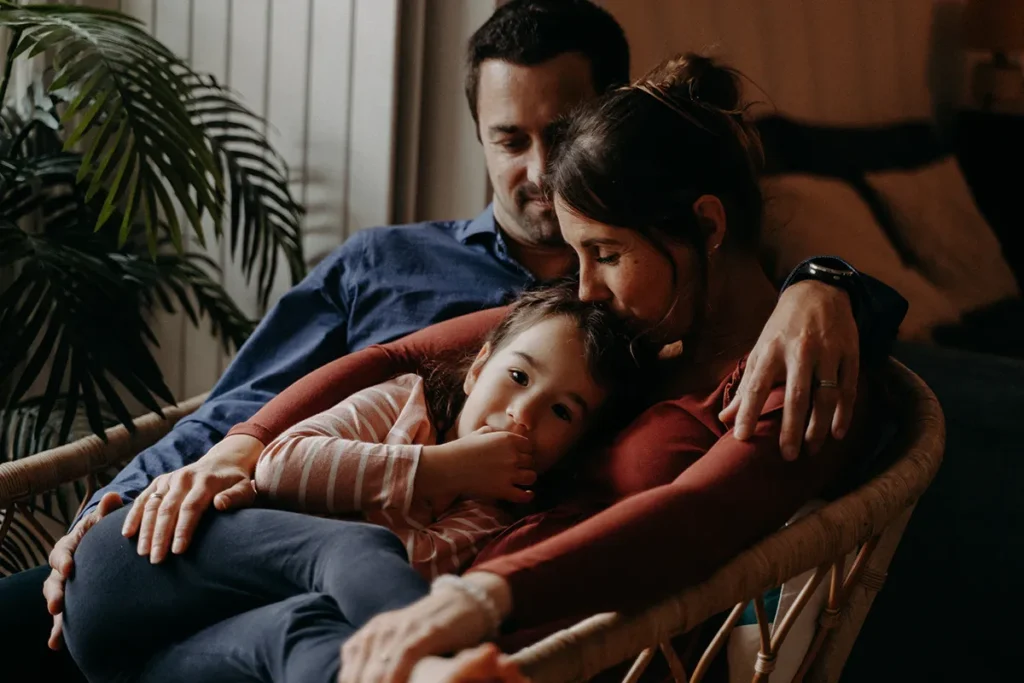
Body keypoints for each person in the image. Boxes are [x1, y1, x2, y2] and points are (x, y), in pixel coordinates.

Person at [0, 1, 902, 679]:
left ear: (704, 226)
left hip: (340, 623)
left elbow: (696, 515)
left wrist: (827, 285)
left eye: (605, 253)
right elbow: (391, 357)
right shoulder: (620, 319)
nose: (579, 283)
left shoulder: (783, 362)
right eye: (510, 137)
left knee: (305, 641)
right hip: (255, 554)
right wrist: (239, 449)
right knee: (330, 562)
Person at [62, 283, 646, 683]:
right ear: (478, 367)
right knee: (361, 546)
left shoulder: (489, 519)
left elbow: (384, 597)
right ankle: (432, 668)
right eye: (517, 376)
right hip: (140, 566)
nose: (524, 414)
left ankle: (420, 675)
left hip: (151, 665)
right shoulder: (401, 404)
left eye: (563, 412)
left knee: (306, 630)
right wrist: (445, 467)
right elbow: (280, 467)